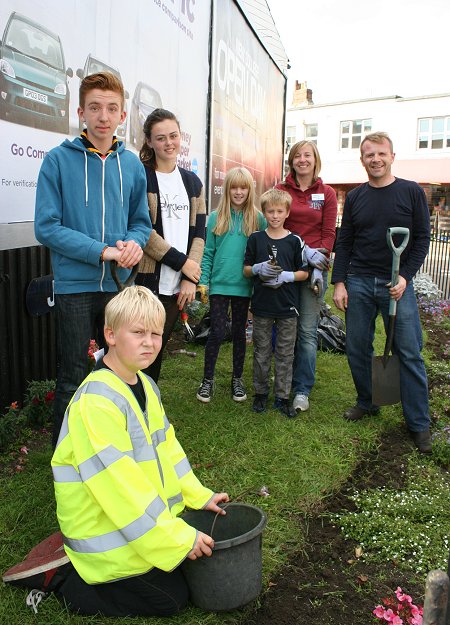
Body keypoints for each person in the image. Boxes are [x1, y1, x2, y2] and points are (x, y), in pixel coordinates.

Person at [4, 286, 229, 617]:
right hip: (103, 530)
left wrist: (199, 495)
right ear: (110, 334)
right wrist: (176, 538)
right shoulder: (96, 403)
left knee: (185, 564)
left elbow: (168, 449)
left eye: (155, 333)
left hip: (128, 522)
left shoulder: (146, 386)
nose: (150, 342)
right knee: (172, 598)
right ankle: (63, 576)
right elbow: (121, 489)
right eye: (138, 333)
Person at [34, 72, 151, 448]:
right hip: (74, 287)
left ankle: (119, 449)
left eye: (112, 108)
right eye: (96, 107)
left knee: (121, 370)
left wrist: (133, 244)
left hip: (120, 287)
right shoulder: (56, 161)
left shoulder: (131, 165)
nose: (104, 116)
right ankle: (67, 459)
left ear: (122, 115)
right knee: (73, 376)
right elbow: (47, 227)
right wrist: (100, 251)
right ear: (81, 111)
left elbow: (140, 223)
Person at [331, 132, 432, 454]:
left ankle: (418, 423)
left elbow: (422, 239)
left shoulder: (411, 192)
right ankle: (368, 401)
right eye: (369, 155)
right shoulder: (357, 197)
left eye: (381, 154)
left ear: (392, 156)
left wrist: (405, 276)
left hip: (396, 286)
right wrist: (340, 282)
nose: (375, 159)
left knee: (409, 351)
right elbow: (345, 240)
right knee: (357, 347)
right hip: (359, 281)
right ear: (362, 160)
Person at [136, 108, 206, 382]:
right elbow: (143, 232)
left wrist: (190, 276)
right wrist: (183, 264)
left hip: (178, 288)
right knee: (138, 353)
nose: (169, 143)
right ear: (150, 142)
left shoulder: (192, 182)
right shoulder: (142, 178)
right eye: (161, 137)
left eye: (173, 136)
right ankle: (130, 409)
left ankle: (147, 407)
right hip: (146, 282)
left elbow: (199, 234)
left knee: (156, 350)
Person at [276, 141, 337, 413]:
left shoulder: (327, 193)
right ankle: (282, 381)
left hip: (314, 270)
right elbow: (276, 226)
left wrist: (318, 263)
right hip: (286, 268)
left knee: (307, 331)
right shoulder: (281, 190)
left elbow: (329, 234)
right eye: (297, 155)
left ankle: (302, 389)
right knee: (283, 328)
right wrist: (301, 252)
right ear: (292, 160)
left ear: (315, 160)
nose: (302, 160)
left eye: (307, 155)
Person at [196, 167, 266, 403]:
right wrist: (203, 281)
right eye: (234, 187)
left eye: (243, 187)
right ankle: (207, 380)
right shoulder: (216, 217)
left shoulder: (257, 219)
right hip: (218, 285)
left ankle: (237, 379)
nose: (238, 192)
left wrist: (260, 285)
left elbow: (263, 253)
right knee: (216, 331)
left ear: (250, 190)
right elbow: (208, 253)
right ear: (227, 189)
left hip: (244, 287)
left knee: (239, 333)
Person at [243, 188, 308, 417]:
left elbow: (304, 273)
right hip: (262, 305)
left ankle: (282, 397)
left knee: (285, 353)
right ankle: (260, 393)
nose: (275, 215)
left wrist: (287, 275)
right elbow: (246, 270)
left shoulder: (294, 241)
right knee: (261, 351)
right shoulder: (256, 238)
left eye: (280, 211)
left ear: (287, 212)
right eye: (270, 211)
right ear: (264, 212)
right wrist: (258, 269)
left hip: (287, 307)